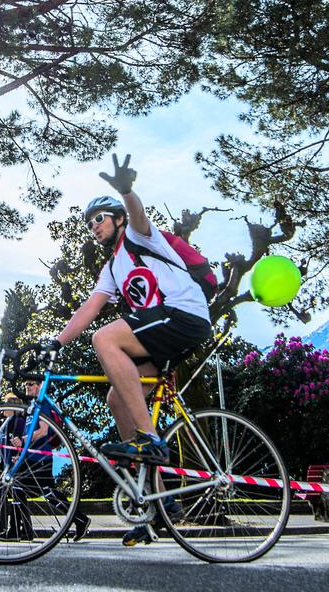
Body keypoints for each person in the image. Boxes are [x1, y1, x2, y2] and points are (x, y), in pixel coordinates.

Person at [51, 154, 212, 465]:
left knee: (105, 339)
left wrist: (126, 190)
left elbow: (138, 213)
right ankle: (154, 496)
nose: (93, 227)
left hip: (183, 314)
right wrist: (56, 343)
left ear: (117, 218)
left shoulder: (138, 236)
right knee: (118, 399)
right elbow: (90, 307)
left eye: (99, 218)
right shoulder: (112, 268)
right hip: (162, 335)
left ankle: (149, 439)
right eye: (89, 224)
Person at [0, 383, 91, 542]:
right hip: (30, 458)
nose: (26, 386)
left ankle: (79, 519)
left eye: (31, 384)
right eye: (26, 383)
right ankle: (20, 531)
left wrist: (22, 441)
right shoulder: (32, 406)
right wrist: (20, 453)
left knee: (45, 492)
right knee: (19, 489)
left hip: (40, 458)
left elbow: (43, 430)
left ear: (40, 386)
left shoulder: (42, 404)